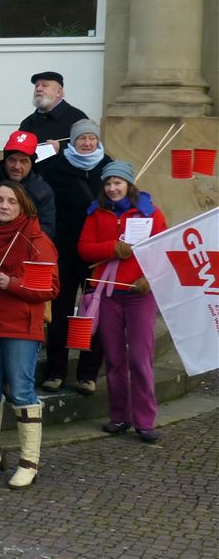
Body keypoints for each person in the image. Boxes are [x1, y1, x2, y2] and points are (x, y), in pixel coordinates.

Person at [0, 181, 59, 489]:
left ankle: (29, 462)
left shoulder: (37, 239)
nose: (3, 206)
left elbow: (49, 288)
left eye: (11, 201)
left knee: (21, 392)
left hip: (22, 327)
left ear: (23, 206)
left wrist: (12, 284)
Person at [77, 161, 168, 443]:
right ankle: (119, 416)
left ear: (129, 184)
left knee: (140, 359)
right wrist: (112, 248)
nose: (112, 188)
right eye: (108, 183)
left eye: (118, 182)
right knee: (115, 359)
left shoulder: (150, 212)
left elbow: (164, 250)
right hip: (108, 294)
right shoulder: (96, 213)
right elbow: (84, 249)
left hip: (140, 294)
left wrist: (150, 279)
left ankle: (145, 421)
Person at [35, 119, 112, 395]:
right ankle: (56, 371)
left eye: (92, 138)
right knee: (60, 311)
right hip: (64, 250)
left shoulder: (108, 168)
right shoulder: (56, 167)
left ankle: (88, 374)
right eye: (82, 139)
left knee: (94, 313)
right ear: (73, 141)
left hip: (97, 253)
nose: (87, 143)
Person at [0, 130, 56, 238]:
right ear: (5, 160)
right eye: (12, 160)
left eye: (24, 161)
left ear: (32, 163)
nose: (17, 166)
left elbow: (47, 229)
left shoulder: (42, 191)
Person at [18, 71, 89, 155]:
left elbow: (89, 151)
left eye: (44, 85)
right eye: (36, 86)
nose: (38, 89)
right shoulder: (27, 123)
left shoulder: (78, 119)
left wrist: (61, 149)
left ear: (58, 92)